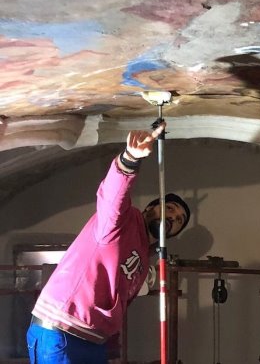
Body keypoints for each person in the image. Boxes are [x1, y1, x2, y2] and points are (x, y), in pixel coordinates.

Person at [26, 122, 191, 364]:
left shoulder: (144, 258)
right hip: (62, 328)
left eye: (178, 221)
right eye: (170, 209)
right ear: (150, 208)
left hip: (94, 339)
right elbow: (112, 196)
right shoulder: (121, 221)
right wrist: (129, 159)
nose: (173, 218)